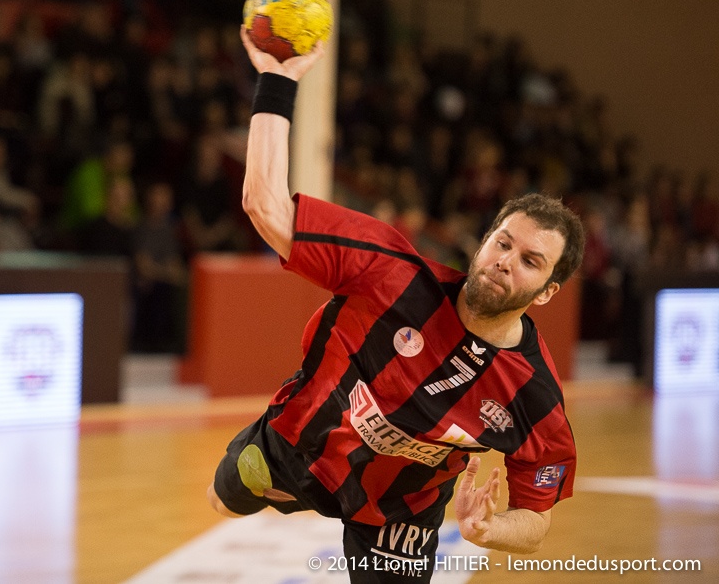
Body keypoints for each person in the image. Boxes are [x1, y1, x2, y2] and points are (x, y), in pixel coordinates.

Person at [207, 32, 585, 583]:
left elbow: (536, 516)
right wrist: (277, 81)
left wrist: (489, 530)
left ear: (548, 292)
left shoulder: (534, 395)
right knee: (225, 498)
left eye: (530, 261)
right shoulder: (392, 272)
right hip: (299, 445)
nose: (506, 261)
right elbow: (263, 204)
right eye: (502, 242)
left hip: (400, 512)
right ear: (484, 241)